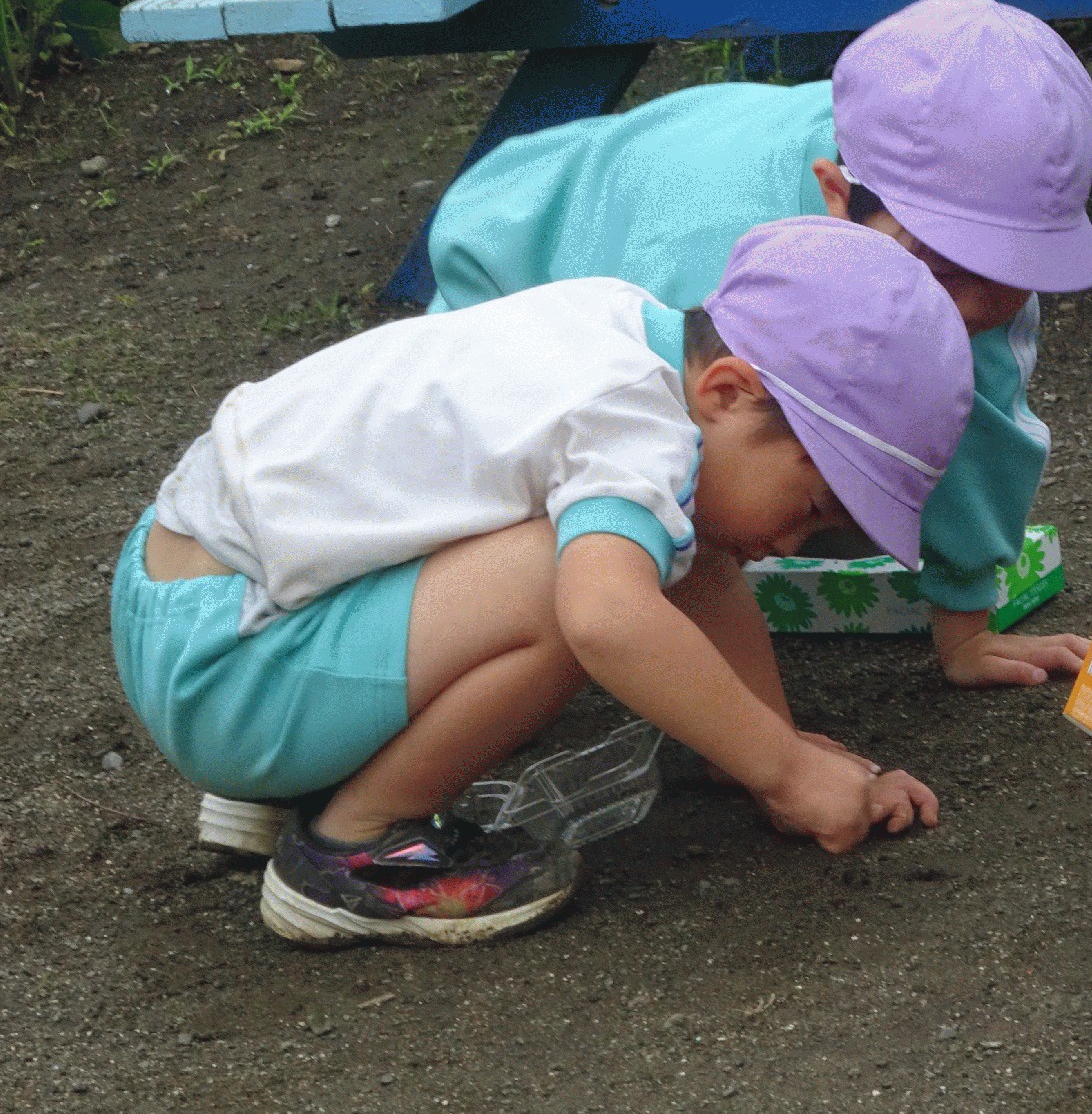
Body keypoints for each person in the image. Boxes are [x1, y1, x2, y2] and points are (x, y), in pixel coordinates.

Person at [112, 219, 969, 947]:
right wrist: (784, 771)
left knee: (622, 552)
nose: (792, 541)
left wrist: (769, 747)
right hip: (230, 671)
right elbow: (608, 618)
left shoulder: (621, 326)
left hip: (189, 593)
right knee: (586, 595)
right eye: (812, 505)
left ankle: (292, 789)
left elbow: (704, 571)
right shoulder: (634, 426)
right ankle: (355, 847)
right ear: (731, 390)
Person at [425, 0, 1092, 689]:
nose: (968, 302)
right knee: (569, 563)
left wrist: (966, 628)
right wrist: (738, 725)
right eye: (943, 270)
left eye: (1007, 273)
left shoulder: (967, 252)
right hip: (510, 280)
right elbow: (676, 472)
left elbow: (977, 424)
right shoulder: (711, 260)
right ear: (838, 194)